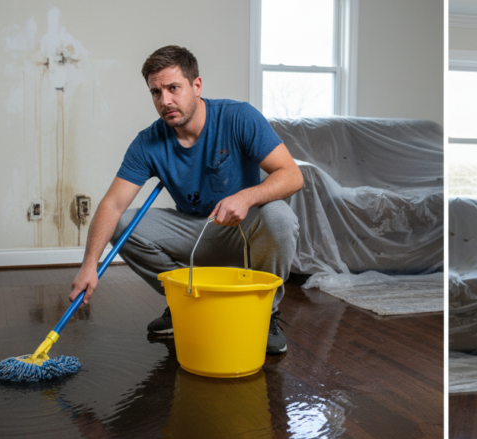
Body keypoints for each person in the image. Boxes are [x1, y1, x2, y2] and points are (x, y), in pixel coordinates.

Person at [69, 45, 303, 353]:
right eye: (155, 92)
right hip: (196, 236)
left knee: (280, 217)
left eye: (173, 88)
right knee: (121, 223)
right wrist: (89, 264)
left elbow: (292, 175)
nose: (165, 101)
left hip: (244, 233)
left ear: (196, 86)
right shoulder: (148, 143)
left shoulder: (238, 117)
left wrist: (247, 196)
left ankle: (264, 313)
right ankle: (183, 304)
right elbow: (112, 205)